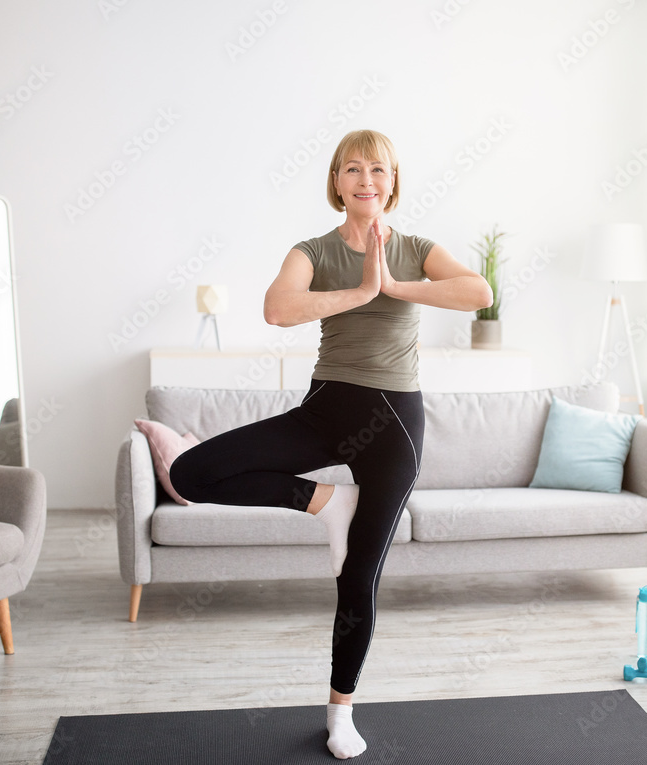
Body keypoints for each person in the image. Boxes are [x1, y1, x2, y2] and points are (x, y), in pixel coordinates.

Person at [169, 129, 492, 760]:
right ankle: (324, 501)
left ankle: (341, 710)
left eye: (377, 169)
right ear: (337, 182)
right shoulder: (312, 250)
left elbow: (477, 293)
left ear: (392, 181)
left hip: (394, 422)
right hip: (325, 409)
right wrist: (361, 292)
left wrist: (395, 286)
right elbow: (277, 309)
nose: (366, 179)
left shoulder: (418, 248)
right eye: (353, 169)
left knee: (358, 578)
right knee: (190, 473)